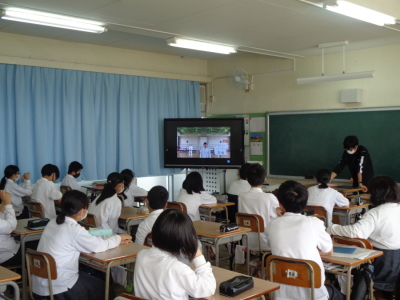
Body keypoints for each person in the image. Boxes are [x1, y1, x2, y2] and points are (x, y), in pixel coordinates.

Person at [32, 190, 132, 300]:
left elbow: (82, 239)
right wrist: (118, 238)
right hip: (59, 288)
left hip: (40, 286)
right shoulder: (74, 230)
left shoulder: (53, 222)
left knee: (91, 278)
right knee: (104, 288)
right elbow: (99, 246)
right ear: (81, 211)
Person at [266, 180, 344, 300]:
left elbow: (278, 248)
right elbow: (328, 251)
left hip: (281, 295)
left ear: (280, 204)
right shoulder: (314, 223)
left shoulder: (271, 225)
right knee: (337, 293)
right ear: (305, 203)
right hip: (313, 294)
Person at [327, 175, 400, 300]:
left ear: (376, 194)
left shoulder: (376, 212)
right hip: (396, 267)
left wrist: (332, 228)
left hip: (380, 264)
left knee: (343, 265)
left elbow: (356, 233)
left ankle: (344, 294)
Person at [134, 209, 216, 300]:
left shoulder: (141, 255)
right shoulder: (177, 269)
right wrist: (198, 254)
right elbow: (208, 288)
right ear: (184, 239)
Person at [238, 163, 280, 251]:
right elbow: (277, 217)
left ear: (247, 179)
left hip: (247, 240)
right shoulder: (269, 197)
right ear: (264, 179)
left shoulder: (241, 196)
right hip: (265, 242)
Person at [0, 190, 20, 266]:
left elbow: (1, 218)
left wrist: (3, 201)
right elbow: (11, 226)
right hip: (7, 255)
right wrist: (8, 203)